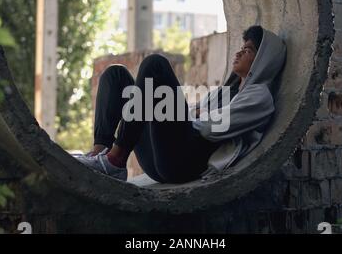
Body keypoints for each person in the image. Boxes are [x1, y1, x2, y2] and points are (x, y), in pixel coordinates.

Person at [75, 25, 287, 183]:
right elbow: (195, 113)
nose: (239, 52)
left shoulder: (259, 97)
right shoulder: (225, 93)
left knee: (155, 66)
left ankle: (116, 159)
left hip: (182, 163)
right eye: (241, 47)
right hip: (158, 157)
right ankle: (99, 155)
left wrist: (191, 113)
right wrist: (190, 112)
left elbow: (212, 128)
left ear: (263, 60)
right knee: (116, 75)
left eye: (248, 50)